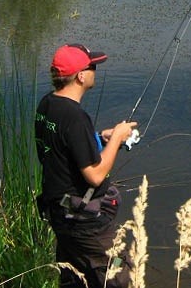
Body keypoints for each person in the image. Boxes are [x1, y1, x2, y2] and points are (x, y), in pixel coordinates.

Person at [35, 43, 138, 288]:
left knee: (75, 279)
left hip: (58, 212)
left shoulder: (48, 104)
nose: (95, 71)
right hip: (83, 219)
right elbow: (95, 175)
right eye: (92, 67)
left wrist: (100, 138)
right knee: (120, 279)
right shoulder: (75, 116)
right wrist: (117, 138)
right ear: (81, 76)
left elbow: (60, 146)